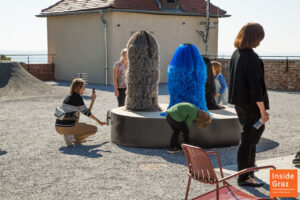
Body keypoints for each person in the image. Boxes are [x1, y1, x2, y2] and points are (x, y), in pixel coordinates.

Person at [228, 23, 270, 187]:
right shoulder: (251, 57)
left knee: (251, 136)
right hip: (252, 105)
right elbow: (255, 87)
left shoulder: (236, 54)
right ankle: (244, 177)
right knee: (248, 139)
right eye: (260, 37)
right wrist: (263, 111)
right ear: (255, 38)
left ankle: (249, 172)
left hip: (239, 103)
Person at [55, 78, 105, 147]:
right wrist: (98, 121)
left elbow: (86, 112)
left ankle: (76, 138)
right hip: (67, 127)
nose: (84, 89)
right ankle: (70, 136)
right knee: (94, 129)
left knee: (77, 113)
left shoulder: (69, 97)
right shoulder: (78, 98)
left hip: (58, 127)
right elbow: (88, 113)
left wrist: (93, 100)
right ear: (78, 87)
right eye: (83, 87)